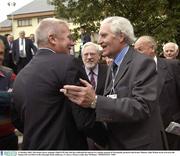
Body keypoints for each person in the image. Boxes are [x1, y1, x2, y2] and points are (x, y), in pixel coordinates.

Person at [61, 16, 167, 150]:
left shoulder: (143, 63)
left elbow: (142, 107)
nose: (99, 41)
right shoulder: (113, 65)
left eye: (103, 35)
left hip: (139, 146)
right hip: (117, 144)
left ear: (121, 36)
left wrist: (95, 100)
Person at [11, 18, 103, 150]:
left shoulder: (21, 74)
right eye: (68, 38)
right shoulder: (68, 63)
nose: (72, 42)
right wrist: (106, 139)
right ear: (53, 39)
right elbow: (85, 119)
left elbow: (17, 119)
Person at [134, 35, 180, 149]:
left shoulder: (173, 66)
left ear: (152, 48)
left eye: (140, 49)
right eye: (134, 51)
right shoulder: (133, 71)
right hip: (147, 132)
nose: (136, 54)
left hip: (172, 128)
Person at [81, 42, 108, 149]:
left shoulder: (109, 70)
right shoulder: (75, 72)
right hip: (85, 127)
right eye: (86, 54)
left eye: (92, 54)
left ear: (99, 56)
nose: (89, 57)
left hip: (106, 123)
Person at [0, 39, 18, 150]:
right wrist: (5, 96)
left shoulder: (9, 74)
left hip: (8, 140)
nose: (0, 57)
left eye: (1, 53)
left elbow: (17, 98)